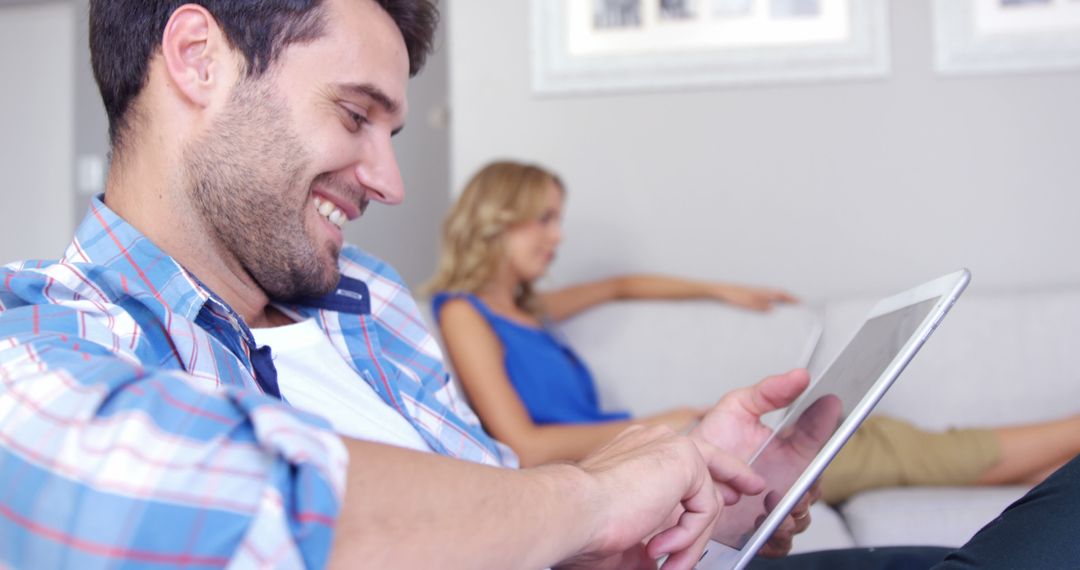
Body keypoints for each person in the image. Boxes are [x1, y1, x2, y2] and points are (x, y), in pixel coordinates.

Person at [1, 2, 1079, 568]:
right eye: (355, 115)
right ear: (197, 57)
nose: (388, 178)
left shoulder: (370, 300)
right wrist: (604, 492)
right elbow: (238, 513)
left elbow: (515, 521)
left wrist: (689, 504)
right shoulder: (43, 332)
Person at [428, 159, 1080, 505]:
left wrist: (722, 290)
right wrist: (669, 419)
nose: (557, 236)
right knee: (883, 450)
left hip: (666, 441)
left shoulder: (531, 309)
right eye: (542, 219)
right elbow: (523, 445)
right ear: (498, 217)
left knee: (867, 434)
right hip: (647, 454)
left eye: (558, 219)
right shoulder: (464, 313)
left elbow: (623, 284)